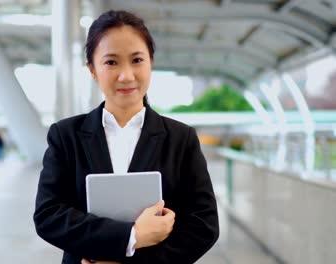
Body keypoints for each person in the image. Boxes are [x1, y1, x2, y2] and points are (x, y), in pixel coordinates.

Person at [34, 10, 219, 264]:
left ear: (151, 62)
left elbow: (204, 225)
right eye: (111, 62)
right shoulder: (66, 136)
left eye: (137, 60)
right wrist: (131, 236)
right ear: (92, 69)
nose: (126, 76)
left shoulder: (181, 138)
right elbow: (49, 215)